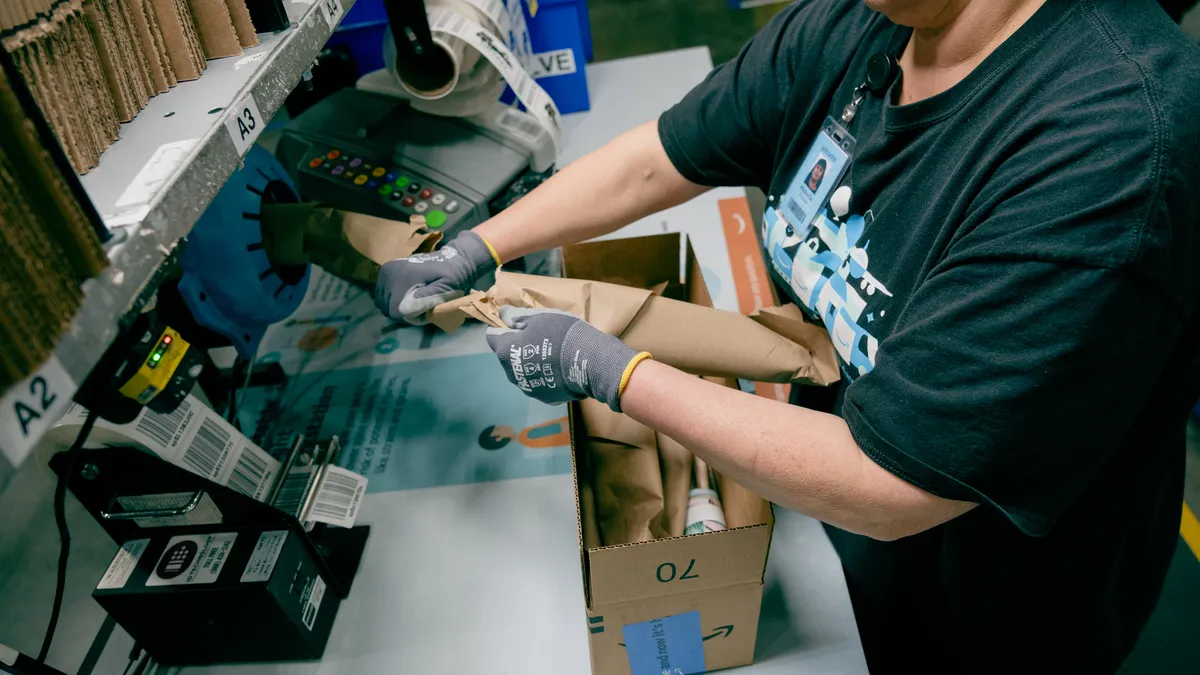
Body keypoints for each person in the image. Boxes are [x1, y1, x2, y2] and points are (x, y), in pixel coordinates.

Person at [375, 0, 1200, 671]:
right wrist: (480, 246)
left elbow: (892, 487)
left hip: (989, 592)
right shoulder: (867, 21)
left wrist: (612, 372)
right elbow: (662, 155)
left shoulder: (1111, 137)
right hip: (836, 494)